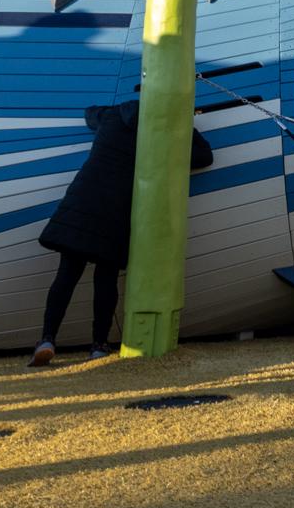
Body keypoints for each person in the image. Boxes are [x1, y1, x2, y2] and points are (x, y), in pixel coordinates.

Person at [33, 97, 213, 365]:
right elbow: (204, 156)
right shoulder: (162, 131)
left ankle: (47, 338)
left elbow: (89, 112)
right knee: (105, 280)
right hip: (116, 209)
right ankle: (98, 345)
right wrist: (185, 125)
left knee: (67, 274)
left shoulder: (114, 115)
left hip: (83, 199)